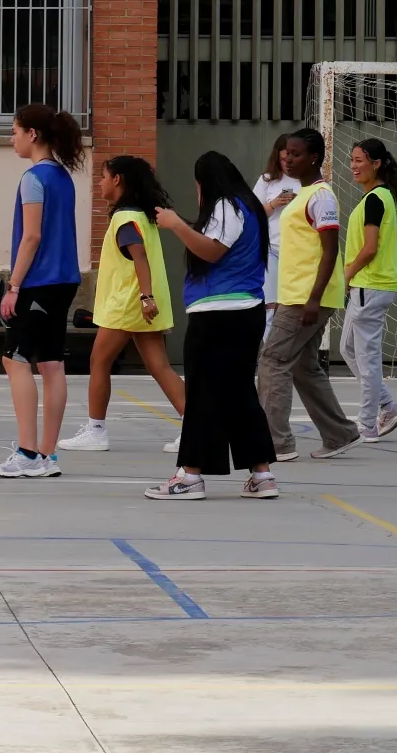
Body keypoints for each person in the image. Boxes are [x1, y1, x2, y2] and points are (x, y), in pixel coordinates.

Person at [144, 151, 279, 500]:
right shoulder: (249, 208)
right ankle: (261, 474)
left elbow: (212, 250)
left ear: (205, 182)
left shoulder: (226, 206)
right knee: (240, 394)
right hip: (244, 312)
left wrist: (176, 224)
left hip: (219, 314)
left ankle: (190, 476)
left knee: (202, 395)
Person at [59, 156, 184, 453]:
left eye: (103, 176)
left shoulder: (125, 218)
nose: (100, 182)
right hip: (141, 303)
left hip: (128, 303)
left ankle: (96, 430)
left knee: (99, 361)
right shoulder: (142, 216)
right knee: (160, 366)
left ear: (117, 180)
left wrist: (145, 296)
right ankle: (196, 428)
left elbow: (139, 258)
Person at [0, 103, 86, 479]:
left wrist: (13, 286)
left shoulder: (34, 178)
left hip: (39, 281)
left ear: (33, 134)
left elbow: (31, 236)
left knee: (15, 360)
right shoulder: (63, 177)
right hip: (65, 280)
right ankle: (47, 455)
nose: (11, 139)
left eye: (14, 131)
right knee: (51, 363)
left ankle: (28, 453)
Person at [257, 128, 361, 462]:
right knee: (303, 365)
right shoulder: (302, 194)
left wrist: (314, 299)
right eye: (286, 152)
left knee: (272, 360)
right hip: (298, 294)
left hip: (307, 298)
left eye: (296, 154)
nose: (288, 158)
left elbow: (330, 250)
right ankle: (340, 433)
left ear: (314, 158)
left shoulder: (321, 197)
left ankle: (276, 443)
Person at [340, 138, 397, 443]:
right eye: (352, 160)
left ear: (377, 164)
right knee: (348, 349)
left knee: (367, 358)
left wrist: (346, 274)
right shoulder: (377, 197)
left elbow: (370, 249)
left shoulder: (375, 200)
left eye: (359, 160)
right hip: (369, 286)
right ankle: (388, 406)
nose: (353, 166)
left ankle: (367, 424)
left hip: (370, 285)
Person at [252, 133, 301, 332]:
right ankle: (269, 347)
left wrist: (299, 201)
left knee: (293, 306)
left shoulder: (306, 179)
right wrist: (274, 203)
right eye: (282, 159)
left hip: (298, 252)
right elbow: (252, 214)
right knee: (269, 306)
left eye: (291, 159)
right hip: (272, 248)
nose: (287, 164)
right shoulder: (267, 180)